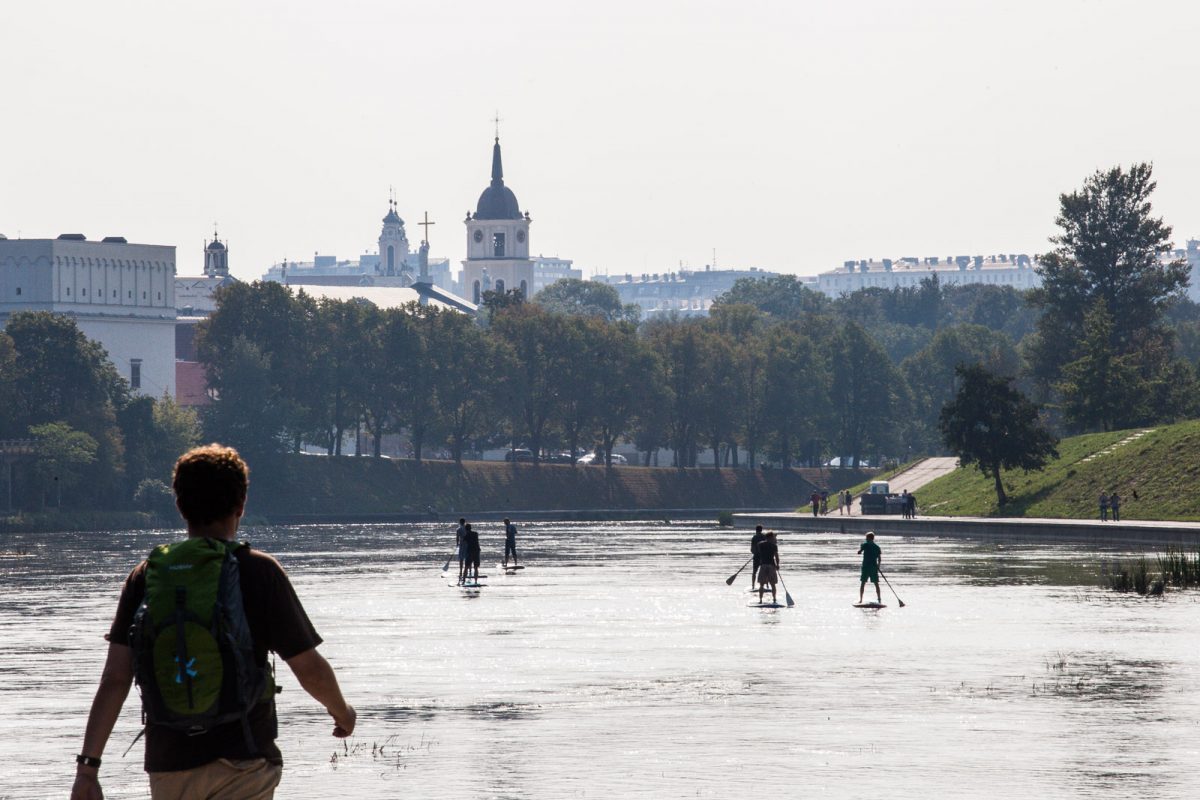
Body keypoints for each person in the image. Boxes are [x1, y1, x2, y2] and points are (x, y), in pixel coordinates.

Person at [70, 444, 355, 800]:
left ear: (179, 506)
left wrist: (87, 769)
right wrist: (342, 712)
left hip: (169, 764)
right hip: (244, 761)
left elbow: (115, 679)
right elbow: (307, 667)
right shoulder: (258, 571)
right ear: (241, 505)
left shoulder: (147, 577)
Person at [857, 531, 882, 605]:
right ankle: (879, 599)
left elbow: (859, 552)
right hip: (874, 567)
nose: (866, 539)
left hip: (866, 567)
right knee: (876, 584)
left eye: (866, 538)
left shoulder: (865, 545)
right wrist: (878, 566)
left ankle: (861, 600)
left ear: (869, 538)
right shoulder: (877, 547)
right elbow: (879, 559)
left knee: (863, 583)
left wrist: (859, 551)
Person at [756, 532, 780, 604]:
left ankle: (760, 600)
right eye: (773, 537)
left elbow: (759, 548)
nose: (774, 538)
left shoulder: (760, 544)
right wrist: (777, 565)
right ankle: (774, 599)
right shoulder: (774, 546)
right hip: (771, 566)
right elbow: (776, 557)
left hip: (763, 566)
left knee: (761, 584)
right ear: (771, 537)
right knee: (773, 584)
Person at [456, 517, 468, 582]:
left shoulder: (458, 529)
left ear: (460, 522)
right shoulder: (467, 528)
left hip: (462, 545)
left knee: (461, 558)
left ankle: (461, 571)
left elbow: (457, 538)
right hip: (467, 545)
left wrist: (457, 544)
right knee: (467, 558)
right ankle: (468, 570)